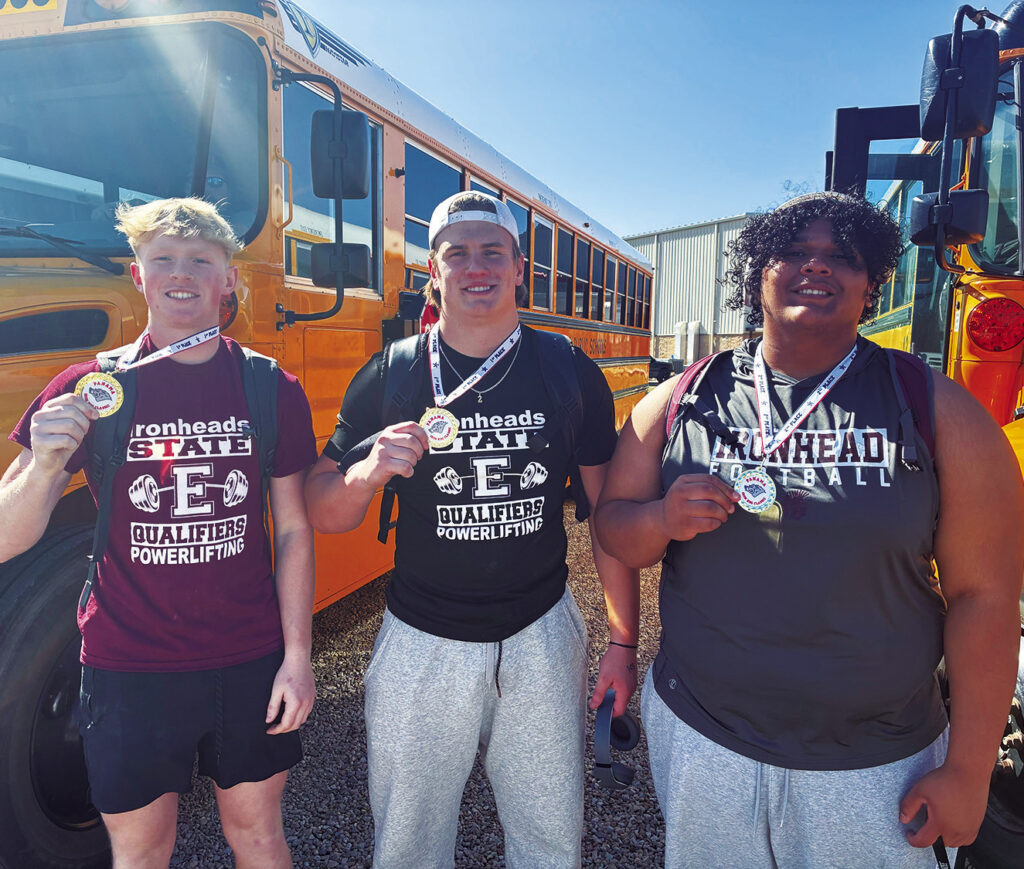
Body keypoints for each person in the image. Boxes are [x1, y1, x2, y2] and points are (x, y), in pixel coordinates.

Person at [594, 191, 1024, 868]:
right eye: (794, 252)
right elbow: (613, 530)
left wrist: (969, 769)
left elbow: (986, 597)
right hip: (708, 744)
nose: (816, 267)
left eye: (842, 257)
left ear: (872, 283)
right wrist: (660, 518)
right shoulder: (679, 400)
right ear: (755, 271)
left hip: (874, 764)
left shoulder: (939, 411)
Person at [305, 191, 640, 868]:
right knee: (406, 841)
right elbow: (324, 509)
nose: (476, 266)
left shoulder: (567, 371)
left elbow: (609, 524)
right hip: (420, 638)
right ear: (434, 268)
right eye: (458, 253)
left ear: (520, 268)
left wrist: (623, 640)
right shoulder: (392, 372)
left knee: (550, 838)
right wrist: (367, 474)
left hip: (541, 634)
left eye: (493, 251)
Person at [0, 198, 317, 869]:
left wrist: (296, 654)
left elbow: (291, 529)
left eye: (201, 260)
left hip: (249, 657)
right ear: (139, 277)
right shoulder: (89, 385)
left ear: (229, 279)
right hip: (127, 665)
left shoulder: (269, 386)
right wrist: (45, 465)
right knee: (141, 851)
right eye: (163, 259)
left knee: (258, 835)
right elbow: (8, 535)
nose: (183, 273)